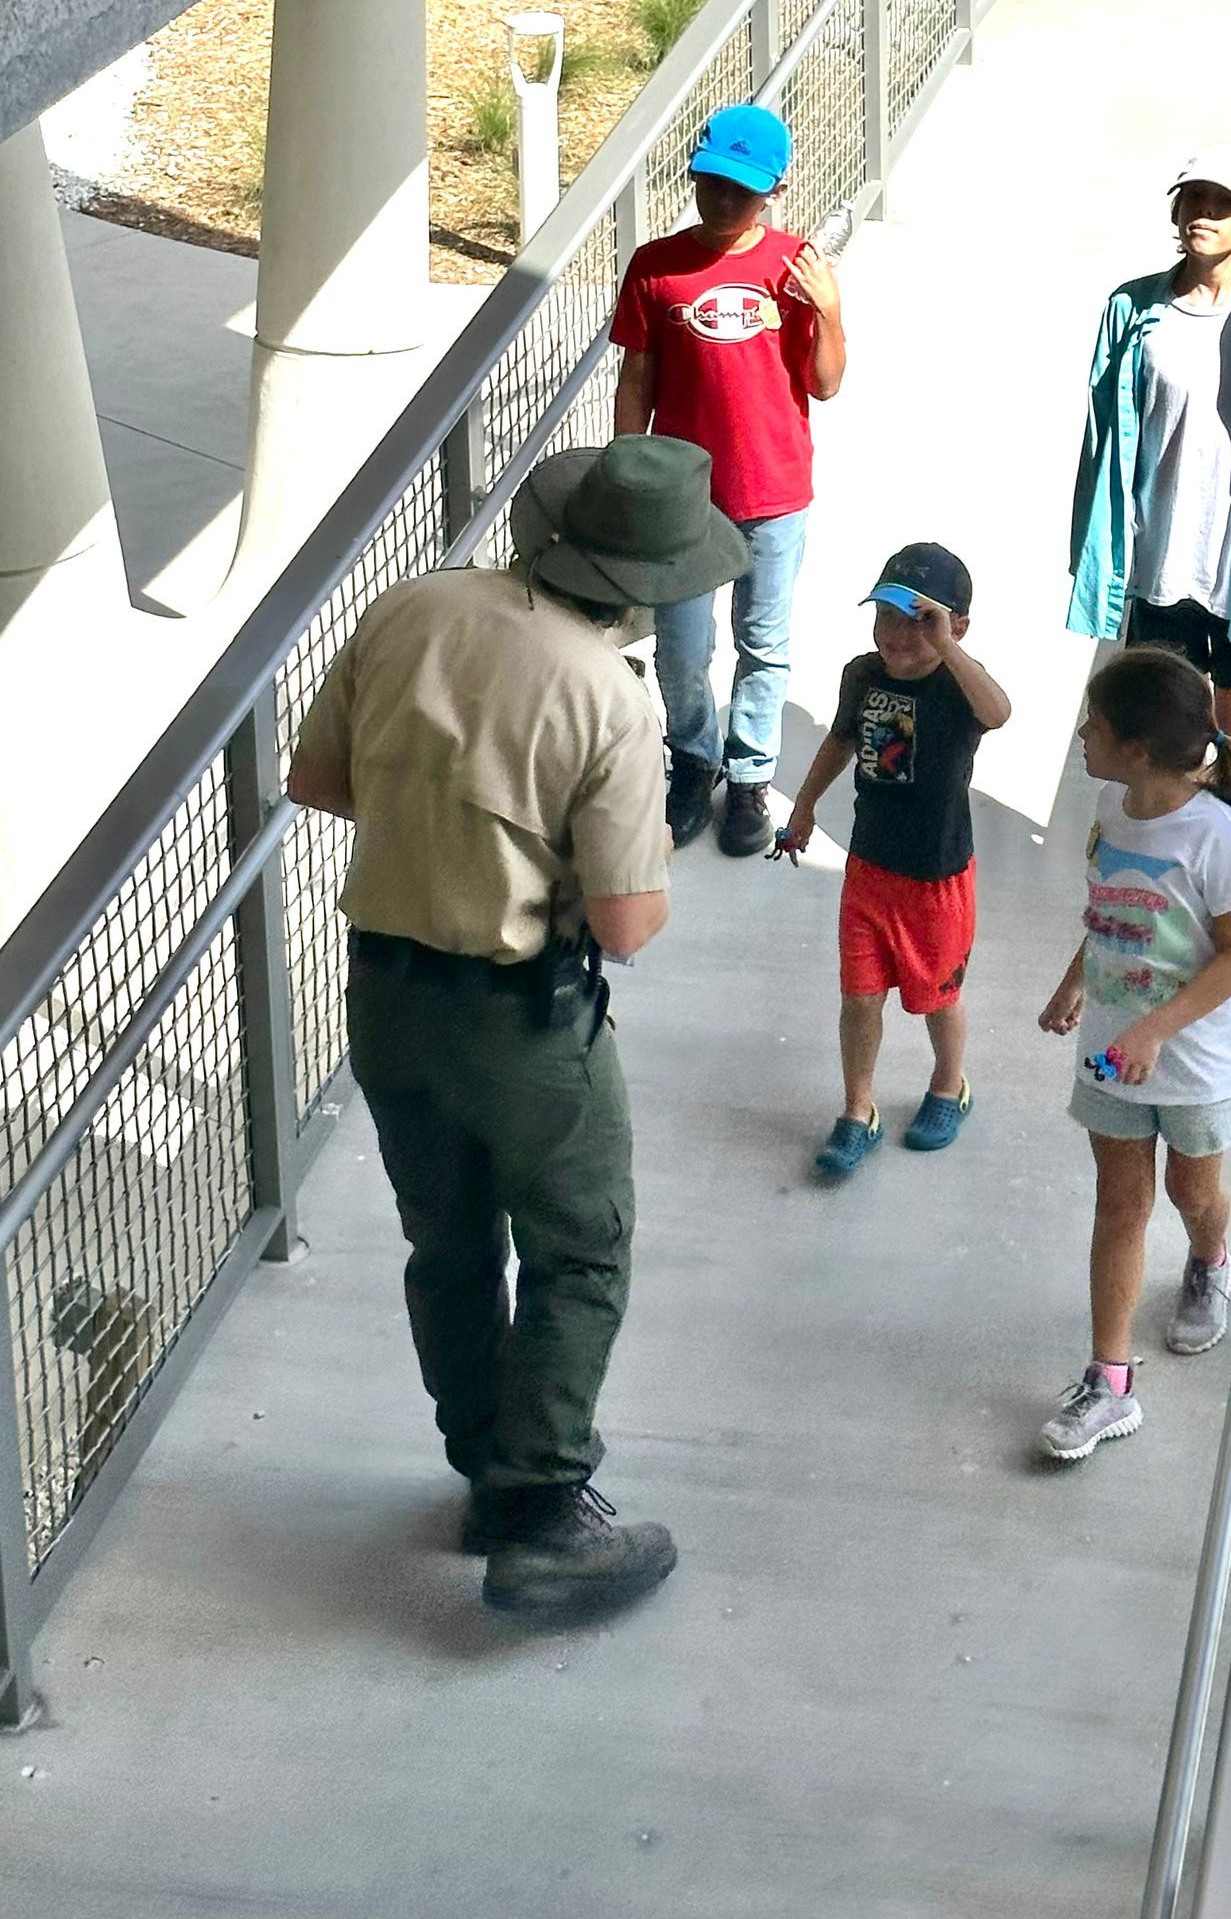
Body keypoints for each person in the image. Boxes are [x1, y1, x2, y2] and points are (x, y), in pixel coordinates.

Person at [286, 436, 747, 1621]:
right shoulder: (607, 695)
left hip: (385, 999)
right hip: (523, 1015)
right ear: (652, 581)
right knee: (579, 1244)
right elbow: (631, 921)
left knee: (446, 1244)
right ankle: (543, 1507)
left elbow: (318, 778)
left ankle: (486, 1474)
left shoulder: (414, 607)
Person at [1065, 141, 1231, 1025]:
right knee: (1164, 740)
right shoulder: (1134, 309)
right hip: (1159, 561)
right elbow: (1105, 437)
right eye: (1192, 197)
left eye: (1223, 202)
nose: (1201, 213)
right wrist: (1096, 548)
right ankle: (1169, 914)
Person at [1035, 646, 1231, 1461]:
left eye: (1094, 725)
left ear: (1138, 747)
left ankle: (1210, 1256)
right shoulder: (1111, 801)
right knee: (1120, 1203)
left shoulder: (1218, 838)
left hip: (1196, 1064)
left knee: (1191, 1188)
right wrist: (1077, 980)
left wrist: (1157, 1028)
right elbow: (1113, 910)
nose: (1081, 735)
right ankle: (1109, 1381)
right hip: (1110, 1053)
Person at [611, 103, 848, 860]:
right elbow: (637, 373)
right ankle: (694, 759)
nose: (720, 202)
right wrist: (627, 467)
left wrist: (830, 312)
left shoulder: (792, 267)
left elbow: (825, 382)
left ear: (773, 190)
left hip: (773, 490)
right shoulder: (656, 265)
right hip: (683, 495)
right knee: (681, 646)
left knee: (763, 642)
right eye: (710, 183)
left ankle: (749, 774)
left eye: (739, 192)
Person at [775, 543, 1012, 1182]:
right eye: (886, 615)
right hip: (869, 870)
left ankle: (947, 1085)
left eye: (919, 620)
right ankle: (858, 1111)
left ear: (954, 625)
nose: (898, 634)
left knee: (940, 996)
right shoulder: (863, 674)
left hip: (936, 877)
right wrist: (803, 808)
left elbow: (1000, 712)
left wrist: (951, 650)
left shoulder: (959, 687)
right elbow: (839, 740)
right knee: (859, 996)